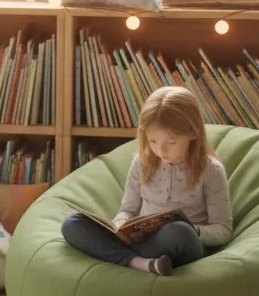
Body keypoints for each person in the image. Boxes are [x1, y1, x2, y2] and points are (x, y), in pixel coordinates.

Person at [62, 86, 232, 276]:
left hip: (180, 243)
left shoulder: (211, 170)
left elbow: (223, 230)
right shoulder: (142, 162)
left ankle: (122, 258)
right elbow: (127, 209)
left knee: (178, 231)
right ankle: (139, 263)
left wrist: (194, 230)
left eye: (171, 142)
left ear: (193, 133)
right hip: (142, 243)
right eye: (153, 141)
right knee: (72, 223)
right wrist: (121, 223)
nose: (161, 151)